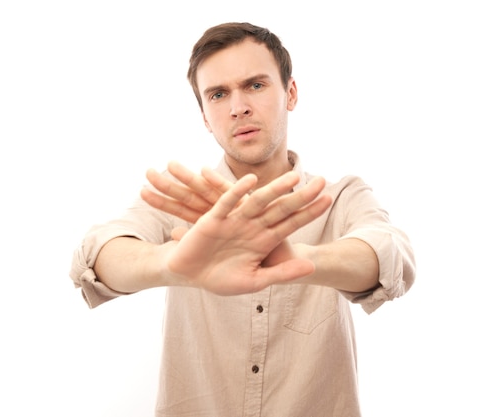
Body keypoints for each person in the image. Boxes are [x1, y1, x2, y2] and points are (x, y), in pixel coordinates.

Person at [70, 21, 416, 417]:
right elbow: (99, 251)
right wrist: (173, 264)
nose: (238, 107)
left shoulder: (337, 197)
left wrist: (298, 261)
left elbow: (392, 253)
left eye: (255, 85)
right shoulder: (182, 200)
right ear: (204, 116)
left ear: (290, 93)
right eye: (218, 94)